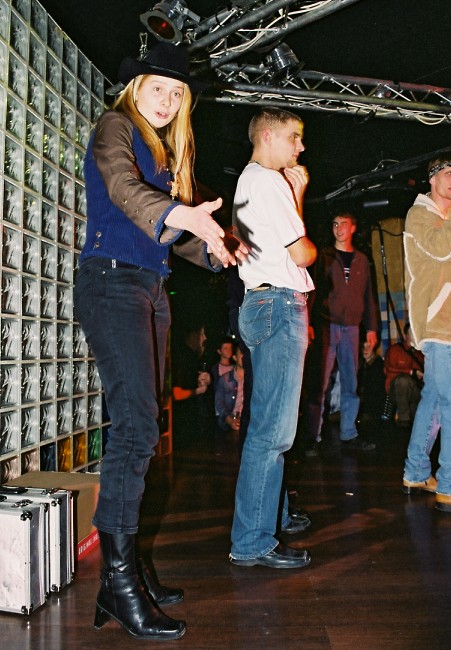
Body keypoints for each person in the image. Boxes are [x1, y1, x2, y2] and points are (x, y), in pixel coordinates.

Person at [73, 42, 247, 640]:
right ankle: (119, 582)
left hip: (148, 289)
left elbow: (174, 231)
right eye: (158, 89)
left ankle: (131, 570)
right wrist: (185, 215)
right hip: (111, 283)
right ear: (134, 89)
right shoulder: (115, 127)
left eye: (178, 94)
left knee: (144, 429)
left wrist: (217, 248)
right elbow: (124, 190)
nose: (169, 101)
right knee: (135, 429)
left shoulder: (165, 153)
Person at [229, 107, 317, 569]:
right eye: (293, 137)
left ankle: (274, 515)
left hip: (261, 301)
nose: (300, 146)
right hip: (279, 303)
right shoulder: (268, 181)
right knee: (273, 432)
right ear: (267, 135)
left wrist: (295, 193)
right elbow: (302, 253)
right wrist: (296, 194)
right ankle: (252, 541)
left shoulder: (251, 181)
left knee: (267, 422)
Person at [402, 151, 451, 515]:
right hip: (441, 325)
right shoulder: (420, 215)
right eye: (448, 172)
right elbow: (444, 249)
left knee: (434, 400)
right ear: (431, 178)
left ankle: (416, 471)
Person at [305, 212, 378, 456]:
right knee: (320, 382)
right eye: (335, 224)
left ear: (353, 228)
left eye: (343, 224)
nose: (338, 229)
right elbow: (313, 289)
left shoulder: (362, 260)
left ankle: (349, 433)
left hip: (352, 328)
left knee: (351, 383)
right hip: (327, 326)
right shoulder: (323, 256)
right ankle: (313, 436)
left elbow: (368, 295)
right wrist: (309, 322)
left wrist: (371, 329)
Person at [384, 322, 424, 428]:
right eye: (412, 333)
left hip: (415, 392)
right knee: (403, 380)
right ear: (405, 335)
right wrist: (411, 372)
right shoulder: (394, 350)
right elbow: (389, 368)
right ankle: (403, 420)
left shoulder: (421, 354)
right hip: (396, 392)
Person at [215, 343, 244, 431]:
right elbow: (219, 404)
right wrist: (229, 420)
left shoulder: (255, 379)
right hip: (231, 421)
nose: (245, 356)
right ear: (235, 357)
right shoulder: (225, 379)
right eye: (242, 353)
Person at [357, 340, 386, 424]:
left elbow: (375, 390)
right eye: (363, 347)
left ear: (374, 349)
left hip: (373, 409)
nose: (365, 350)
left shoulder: (378, 365)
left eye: (368, 347)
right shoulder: (361, 364)